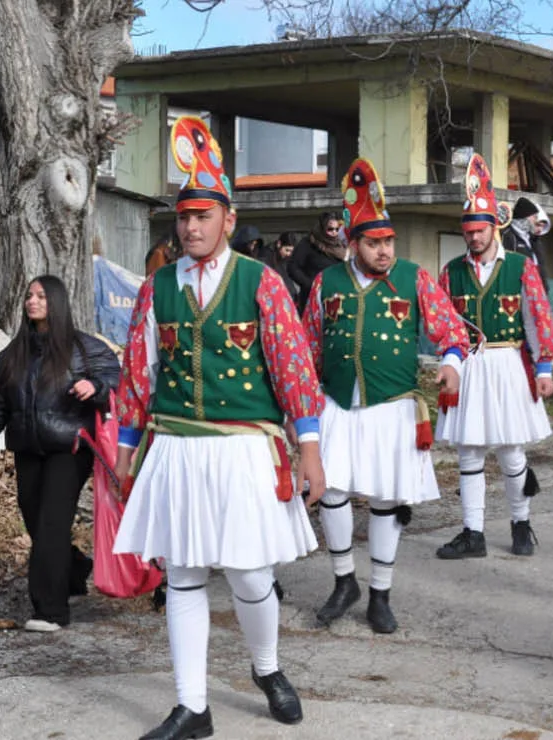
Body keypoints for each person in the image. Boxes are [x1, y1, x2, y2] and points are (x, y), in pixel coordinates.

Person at [113, 116, 326, 740]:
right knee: (181, 575)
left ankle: (267, 667)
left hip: (244, 449)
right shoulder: (156, 288)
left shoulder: (261, 281)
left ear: (227, 220)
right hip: (176, 447)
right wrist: (127, 448)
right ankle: (192, 707)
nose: (191, 227)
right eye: (184, 217)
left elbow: (292, 369)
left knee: (251, 575)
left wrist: (309, 449)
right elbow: (135, 376)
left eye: (203, 216)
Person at [303, 158, 470, 633]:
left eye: (389, 241)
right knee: (331, 490)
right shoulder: (325, 283)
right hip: (336, 401)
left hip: (393, 404)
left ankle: (380, 592)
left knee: (383, 498)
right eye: (374, 243)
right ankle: (343, 582)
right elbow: (306, 344)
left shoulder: (415, 278)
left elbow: (452, 332)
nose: (384, 250)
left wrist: (452, 365)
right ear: (351, 243)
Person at [0, 275, 121, 632]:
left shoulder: (85, 349)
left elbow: (117, 381)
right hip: (28, 448)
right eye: (29, 296)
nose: (32, 301)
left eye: (41, 296)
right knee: (38, 523)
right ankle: (75, 568)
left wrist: (95, 386)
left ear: (57, 302)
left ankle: (50, 611)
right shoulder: (11, 356)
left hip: (71, 446)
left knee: (52, 523)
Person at [434, 152, 553, 559]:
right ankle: (473, 533)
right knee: (469, 450)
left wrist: (543, 366)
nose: (473, 237)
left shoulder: (521, 267)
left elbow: (537, 318)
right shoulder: (450, 271)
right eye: (467, 230)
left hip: (507, 362)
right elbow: (441, 321)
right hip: (468, 364)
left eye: (479, 229)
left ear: (494, 227)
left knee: (510, 449)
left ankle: (522, 523)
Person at [291, 211, 347, 308]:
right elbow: (293, 267)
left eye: (337, 229)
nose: (334, 232)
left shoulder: (341, 246)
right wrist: (310, 285)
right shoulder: (308, 243)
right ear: (322, 228)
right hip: (313, 298)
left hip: (336, 298)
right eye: (330, 229)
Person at [504, 196, 551, 287]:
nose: (535, 220)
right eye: (534, 217)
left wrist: (544, 288)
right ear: (525, 217)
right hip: (517, 289)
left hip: (534, 289)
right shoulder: (508, 236)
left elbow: (540, 267)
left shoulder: (532, 239)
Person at [269, 231, 302, 300]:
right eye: (287, 250)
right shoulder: (268, 258)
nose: (289, 254)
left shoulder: (288, 260)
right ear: (279, 244)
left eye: (291, 251)